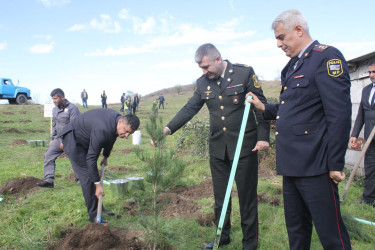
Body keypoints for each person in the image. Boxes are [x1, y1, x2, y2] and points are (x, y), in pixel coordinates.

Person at [247, 9, 351, 249]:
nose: (278, 44)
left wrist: (335, 163)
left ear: (299, 30)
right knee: (296, 231)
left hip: (316, 165)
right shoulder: (292, 67)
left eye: (281, 37)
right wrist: (264, 107)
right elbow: (293, 109)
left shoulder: (326, 58)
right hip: (292, 164)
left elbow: (339, 114)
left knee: (331, 235)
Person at [163, 43, 270, 249]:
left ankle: (250, 243)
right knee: (220, 198)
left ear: (218, 59)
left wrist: (263, 137)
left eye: (206, 67)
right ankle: (222, 237)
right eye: (201, 69)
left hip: (244, 147)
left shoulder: (244, 73)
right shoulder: (203, 83)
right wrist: (168, 129)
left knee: (247, 198)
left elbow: (260, 106)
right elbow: (189, 108)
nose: (204, 72)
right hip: (218, 149)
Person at [58, 109, 140, 223]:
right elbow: (91, 159)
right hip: (73, 141)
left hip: (86, 138)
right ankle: (94, 216)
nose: (126, 136)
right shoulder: (103, 129)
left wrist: (105, 156)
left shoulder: (115, 122)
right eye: (126, 131)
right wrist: (97, 185)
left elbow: (112, 137)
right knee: (87, 178)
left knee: (92, 174)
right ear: (120, 122)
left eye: (129, 134)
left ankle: (100, 209)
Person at [36, 88, 80, 188]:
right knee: (48, 155)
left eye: (55, 98)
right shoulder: (55, 109)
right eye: (53, 99)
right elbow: (55, 125)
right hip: (58, 138)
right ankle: (49, 180)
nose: (54, 101)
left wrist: (67, 141)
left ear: (62, 97)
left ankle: (82, 180)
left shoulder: (73, 108)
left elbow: (75, 126)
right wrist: (53, 138)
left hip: (71, 138)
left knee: (75, 159)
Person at [350, 61, 375, 207]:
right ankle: (368, 199)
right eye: (370, 72)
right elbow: (361, 114)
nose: (372, 75)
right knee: (370, 169)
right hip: (369, 138)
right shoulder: (366, 90)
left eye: (374, 72)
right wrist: (354, 134)